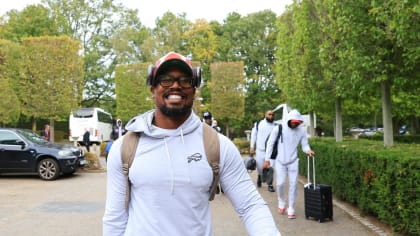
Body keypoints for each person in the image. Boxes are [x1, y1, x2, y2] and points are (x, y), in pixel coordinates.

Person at [103, 52, 280, 236]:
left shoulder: (217, 145)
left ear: (194, 89)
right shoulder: (125, 148)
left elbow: (250, 206)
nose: (176, 86)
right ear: (152, 88)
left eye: (185, 80)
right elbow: (115, 218)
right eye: (165, 80)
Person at [264, 109, 315, 219]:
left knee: (294, 185)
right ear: (289, 120)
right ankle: (281, 201)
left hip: (293, 161)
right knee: (280, 184)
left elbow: (304, 145)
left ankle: (291, 207)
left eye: (298, 122)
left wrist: (308, 150)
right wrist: (267, 159)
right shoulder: (279, 128)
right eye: (293, 122)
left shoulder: (301, 131)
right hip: (280, 161)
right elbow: (270, 143)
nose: (295, 124)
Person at [250, 110, 276, 192]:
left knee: (270, 167)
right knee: (260, 167)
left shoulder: (275, 126)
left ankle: (270, 184)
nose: (271, 116)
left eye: (272, 115)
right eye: (269, 114)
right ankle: (260, 176)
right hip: (260, 150)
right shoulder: (259, 124)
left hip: (271, 152)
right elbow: (253, 135)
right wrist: (252, 146)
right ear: (265, 115)